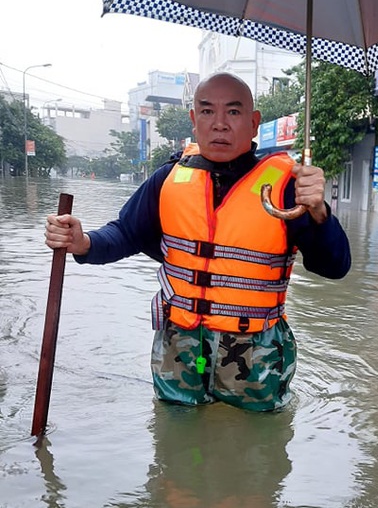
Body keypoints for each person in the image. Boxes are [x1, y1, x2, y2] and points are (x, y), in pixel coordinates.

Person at [45, 72, 351, 412]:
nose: (219, 124)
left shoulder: (290, 188)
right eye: (207, 111)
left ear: (253, 123)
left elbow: (335, 267)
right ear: (194, 120)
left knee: (255, 457)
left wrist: (320, 212)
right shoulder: (168, 178)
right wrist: (82, 241)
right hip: (180, 345)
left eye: (233, 112)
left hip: (255, 354)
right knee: (176, 450)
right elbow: (125, 233)